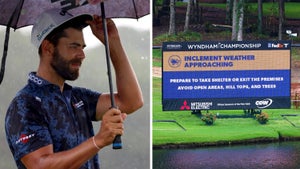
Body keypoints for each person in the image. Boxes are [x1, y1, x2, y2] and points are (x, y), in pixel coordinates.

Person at [5, 8, 143, 169]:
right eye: (73, 46)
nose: (82, 54)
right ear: (48, 47)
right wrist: (98, 140)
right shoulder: (25, 104)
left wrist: (113, 42)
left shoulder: (77, 97)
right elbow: (40, 165)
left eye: (82, 47)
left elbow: (131, 101)